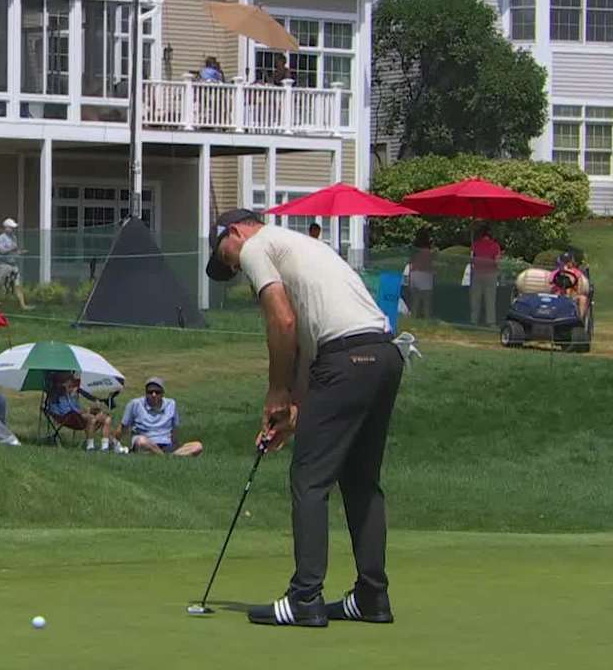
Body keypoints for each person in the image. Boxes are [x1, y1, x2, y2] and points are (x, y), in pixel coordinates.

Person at [205, 208, 404, 628]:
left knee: (309, 479)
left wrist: (276, 394)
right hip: (383, 356)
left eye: (226, 257)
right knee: (360, 481)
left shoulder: (258, 245)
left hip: (347, 359)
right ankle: (372, 597)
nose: (234, 267)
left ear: (235, 232)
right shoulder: (302, 247)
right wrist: (291, 414)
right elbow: (312, 349)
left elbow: (283, 321)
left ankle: (305, 598)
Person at [118, 377, 203, 458]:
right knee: (141, 441)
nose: (153, 395)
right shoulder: (135, 404)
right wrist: (114, 443)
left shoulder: (171, 404)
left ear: (162, 393)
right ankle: (165, 457)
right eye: (150, 392)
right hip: (145, 443)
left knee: (197, 446)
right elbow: (123, 428)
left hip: (166, 444)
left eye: (157, 392)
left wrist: (176, 445)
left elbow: (174, 430)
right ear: (145, 393)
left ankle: (169, 456)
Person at [46, 372, 119, 452]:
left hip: (77, 415)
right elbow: (69, 411)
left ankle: (105, 447)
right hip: (70, 417)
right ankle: (90, 446)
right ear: (63, 384)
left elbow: (76, 408)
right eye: (70, 384)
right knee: (92, 418)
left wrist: (89, 409)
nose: (72, 386)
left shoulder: (69, 394)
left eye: (72, 384)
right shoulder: (59, 396)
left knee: (106, 418)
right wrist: (86, 410)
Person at [0, 218, 33, 310]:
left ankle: (23, 305)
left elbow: (14, 251)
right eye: (11, 227)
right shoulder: (1, 238)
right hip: (3, 264)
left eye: (13, 228)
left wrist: (20, 252)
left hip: (13, 265)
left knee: (17, 285)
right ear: (6, 227)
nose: (13, 229)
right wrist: (12, 248)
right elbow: (2, 250)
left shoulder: (14, 237)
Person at [469, 224, 503, 327]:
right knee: (490, 299)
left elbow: (471, 259)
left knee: (475, 298)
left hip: (477, 273)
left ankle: (474, 320)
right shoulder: (495, 246)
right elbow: (497, 261)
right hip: (490, 274)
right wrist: (499, 271)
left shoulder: (475, 245)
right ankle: (491, 322)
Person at [549, 251, 591, 324]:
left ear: (572, 262)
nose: (566, 264)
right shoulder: (556, 272)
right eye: (564, 262)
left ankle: (580, 320)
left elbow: (579, 288)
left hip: (573, 295)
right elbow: (550, 281)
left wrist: (568, 273)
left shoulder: (577, 273)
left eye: (568, 261)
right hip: (558, 295)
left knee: (583, 299)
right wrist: (561, 273)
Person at [407, 227, 436, 319]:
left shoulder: (414, 250)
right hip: (425, 274)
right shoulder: (427, 251)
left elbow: (410, 262)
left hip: (414, 273)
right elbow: (429, 264)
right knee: (426, 301)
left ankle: (414, 317)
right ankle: (427, 318)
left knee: (415, 300)